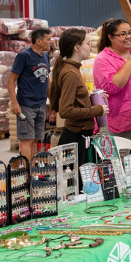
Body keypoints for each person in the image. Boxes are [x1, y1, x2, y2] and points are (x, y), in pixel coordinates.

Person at [48, 28, 108, 167]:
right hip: (75, 137)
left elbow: (75, 100)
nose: (90, 48)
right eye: (88, 44)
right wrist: (97, 110)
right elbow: (65, 111)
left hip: (80, 135)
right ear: (76, 47)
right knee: (80, 185)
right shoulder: (71, 73)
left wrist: (92, 98)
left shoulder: (72, 69)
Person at [8, 27, 52, 162]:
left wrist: (51, 100)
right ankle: (27, 173)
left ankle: (33, 169)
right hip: (26, 105)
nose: (51, 42)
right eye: (48, 39)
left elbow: (47, 79)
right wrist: (14, 103)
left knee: (35, 139)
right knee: (27, 139)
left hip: (41, 104)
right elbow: (11, 80)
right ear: (39, 41)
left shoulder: (45, 56)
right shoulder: (24, 56)